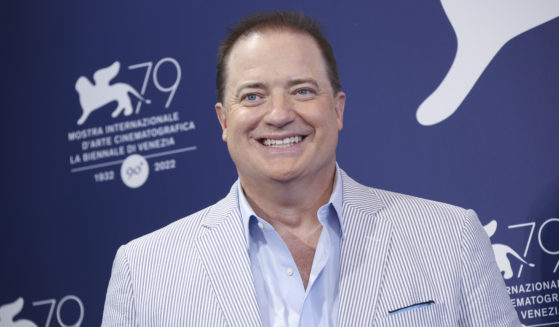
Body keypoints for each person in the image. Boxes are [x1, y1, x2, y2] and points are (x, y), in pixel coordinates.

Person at [102, 11, 521, 326]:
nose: (280, 114)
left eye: (302, 90)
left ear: (337, 109)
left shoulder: (451, 239)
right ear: (223, 121)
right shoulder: (144, 270)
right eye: (252, 96)